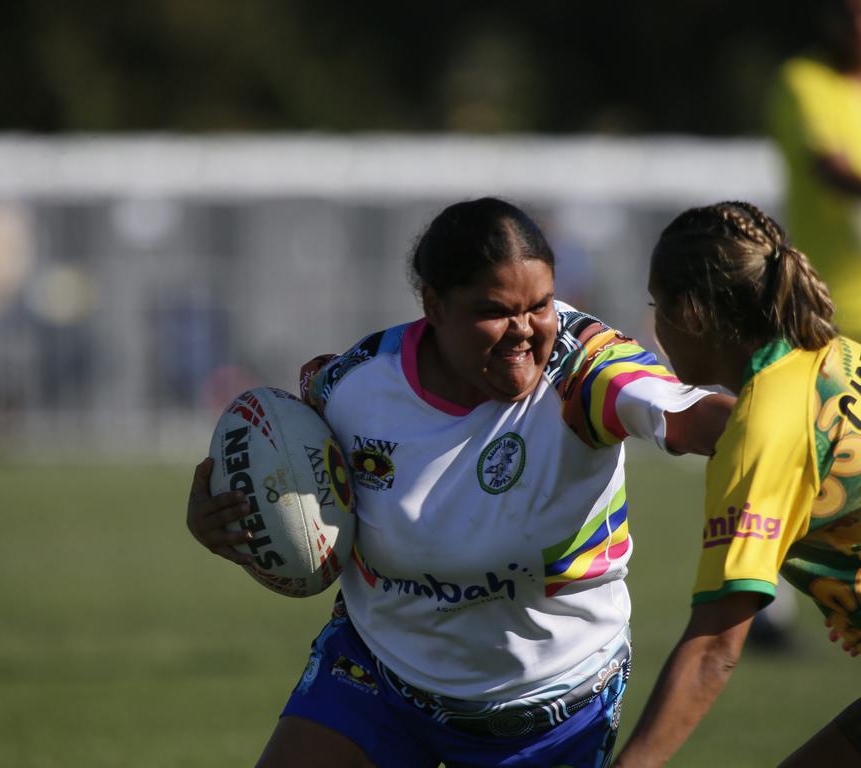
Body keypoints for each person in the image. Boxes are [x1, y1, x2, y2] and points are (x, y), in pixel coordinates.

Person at [187, 197, 733, 768]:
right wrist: (229, 523)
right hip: (376, 680)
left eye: (541, 305)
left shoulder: (585, 372)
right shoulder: (352, 386)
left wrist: (787, 427)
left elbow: (691, 416)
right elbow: (290, 490)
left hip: (551, 710)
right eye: (494, 310)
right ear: (435, 305)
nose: (523, 332)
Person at [613, 201, 861, 767]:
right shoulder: (836, 355)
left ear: (694, 313)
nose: (655, 324)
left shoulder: (765, 427)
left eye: (658, 305)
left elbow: (714, 650)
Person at [766, 0, 861, 340]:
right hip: (831, 306)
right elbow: (831, 172)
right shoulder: (804, 80)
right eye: (845, 14)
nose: (854, 25)